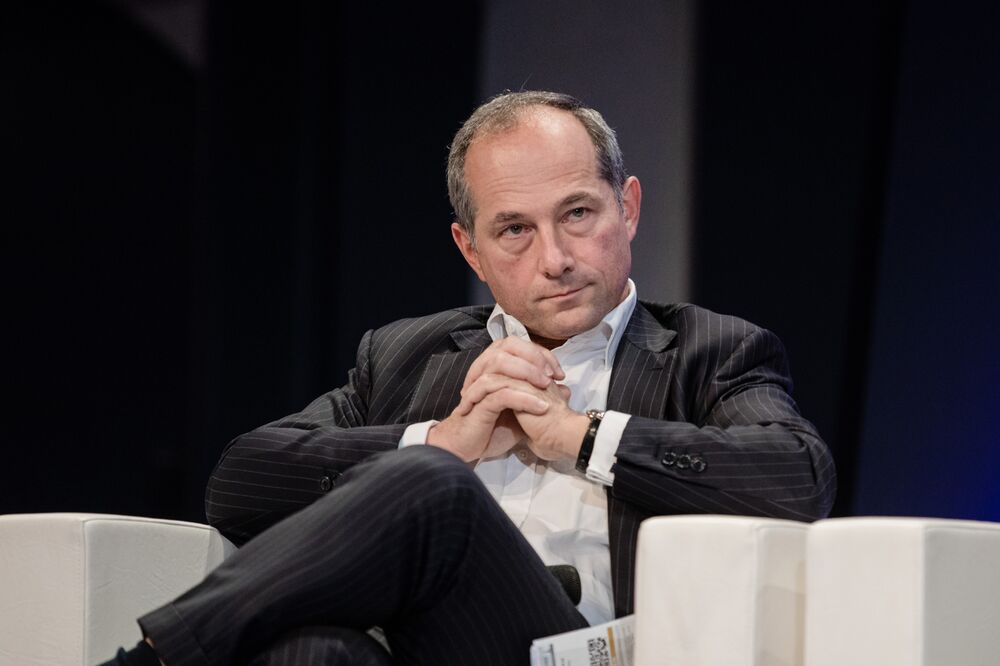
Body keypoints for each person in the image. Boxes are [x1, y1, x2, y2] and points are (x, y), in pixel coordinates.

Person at [103, 91, 836, 665]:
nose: (556, 258)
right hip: (434, 648)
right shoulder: (406, 355)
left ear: (628, 207)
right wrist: (445, 439)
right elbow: (240, 482)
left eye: (578, 213)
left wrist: (580, 437)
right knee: (313, 653)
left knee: (434, 487)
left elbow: (799, 476)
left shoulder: (711, 352)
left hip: (590, 656)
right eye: (515, 229)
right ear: (470, 249)